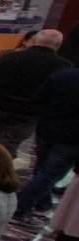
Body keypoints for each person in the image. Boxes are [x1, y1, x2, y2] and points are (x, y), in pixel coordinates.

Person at [0, 28, 71, 154]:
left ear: (35, 40)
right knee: (10, 142)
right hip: (30, 111)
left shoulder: (12, 57)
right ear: (58, 44)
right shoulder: (63, 65)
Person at [13, 65, 79, 221]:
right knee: (49, 174)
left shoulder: (63, 73)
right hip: (72, 137)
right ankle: (19, 207)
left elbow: (38, 98)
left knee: (42, 168)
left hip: (47, 128)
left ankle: (43, 204)